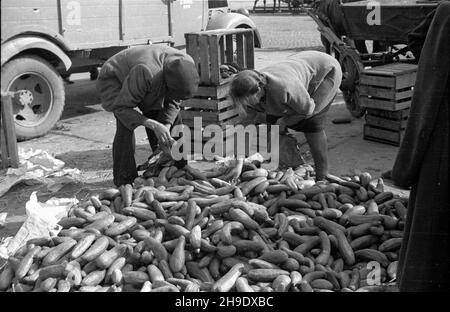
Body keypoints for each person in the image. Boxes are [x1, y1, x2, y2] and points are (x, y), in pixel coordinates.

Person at [390, 2, 449, 291]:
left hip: (440, 131)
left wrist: (430, 67)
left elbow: (415, 37)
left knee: (431, 215)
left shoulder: (447, 10)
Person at [228, 50, 342, 181]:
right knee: (272, 119)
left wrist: (284, 122)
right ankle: (287, 162)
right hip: (299, 63)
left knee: (311, 122)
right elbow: (244, 128)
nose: (246, 104)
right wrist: (238, 164)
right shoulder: (248, 95)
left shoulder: (283, 88)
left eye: (248, 100)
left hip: (326, 70)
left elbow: (307, 109)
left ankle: (323, 174)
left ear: (259, 89)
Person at [96, 45, 200, 187]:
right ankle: (124, 179)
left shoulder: (185, 63)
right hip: (115, 77)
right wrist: (154, 125)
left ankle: (177, 165)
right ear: (166, 83)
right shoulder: (146, 72)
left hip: (146, 78)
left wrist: (166, 126)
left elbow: (174, 101)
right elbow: (121, 108)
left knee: (170, 115)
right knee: (125, 122)